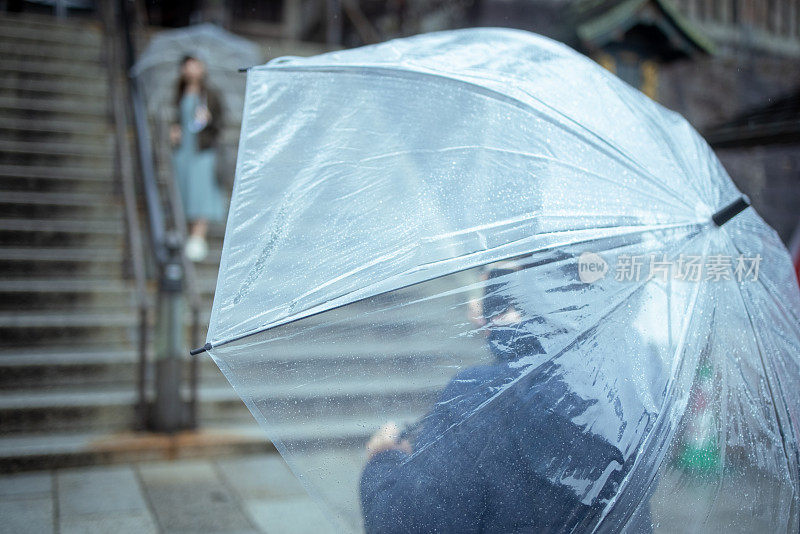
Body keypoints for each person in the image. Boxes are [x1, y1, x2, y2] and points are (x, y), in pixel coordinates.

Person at [360, 265, 650, 533]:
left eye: (496, 288)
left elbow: (404, 525)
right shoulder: (636, 388)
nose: (476, 308)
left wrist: (383, 460)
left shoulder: (479, 397)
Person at [171, 55, 226, 262]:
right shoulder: (180, 93)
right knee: (185, 188)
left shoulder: (210, 94)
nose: (192, 69)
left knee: (202, 190)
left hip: (203, 149)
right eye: (188, 65)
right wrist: (174, 131)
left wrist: (209, 120)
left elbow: (221, 122)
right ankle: (186, 232)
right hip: (184, 149)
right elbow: (179, 119)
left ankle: (197, 236)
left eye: (195, 65)